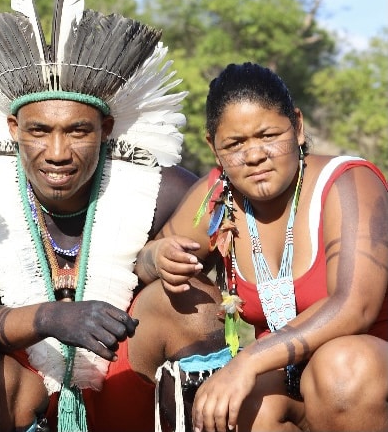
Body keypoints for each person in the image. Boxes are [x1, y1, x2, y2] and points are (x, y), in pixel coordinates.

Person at [0, 0, 228, 432]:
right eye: (38, 131)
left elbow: (230, 281)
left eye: (78, 130)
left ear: (107, 128)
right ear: (12, 128)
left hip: (126, 379)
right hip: (25, 384)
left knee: (192, 302)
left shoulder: (161, 188)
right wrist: (49, 318)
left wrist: (158, 263)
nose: (57, 152)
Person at [155, 62, 388, 432]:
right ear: (213, 148)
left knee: (342, 370)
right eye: (234, 144)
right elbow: (146, 261)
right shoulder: (218, 197)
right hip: (289, 377)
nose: (253, 156)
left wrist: (246, 362)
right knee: (232, 409)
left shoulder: (348, 183)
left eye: (267, 135)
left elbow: (354, 307)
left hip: (366, 375)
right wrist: (157, 257)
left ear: (297, 126)